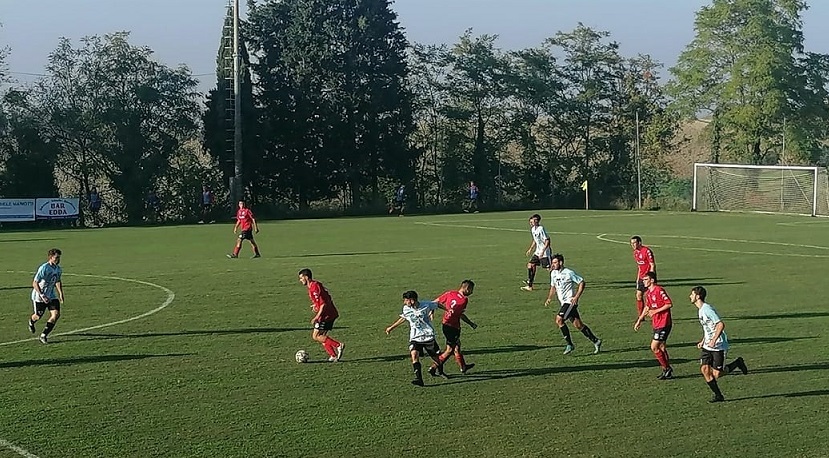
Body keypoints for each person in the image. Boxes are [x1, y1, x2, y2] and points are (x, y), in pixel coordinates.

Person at [690, 286, 748, 403]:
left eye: (692, 294)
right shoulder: (700, 310)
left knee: (717, 374)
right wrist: (703, 340)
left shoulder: (707, 309)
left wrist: (713, 340)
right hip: (707, 346)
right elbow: (708, 328)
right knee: (705, 370)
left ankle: (737, 363)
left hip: (718, 346)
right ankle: (718, 396)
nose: (690, 296)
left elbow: (720, 324)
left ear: (698, 296)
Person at [385, 290, 447, 386]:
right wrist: (391, 327)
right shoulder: (406, 308)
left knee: (436, 358)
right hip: (415, 337)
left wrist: (448, 310)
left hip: (428, 336)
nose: (404, 302)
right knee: (414, 355)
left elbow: (437, 304)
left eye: (406, 300)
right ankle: (419, 379)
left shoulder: (426, 304)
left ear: (412, 300)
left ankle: (440, 371)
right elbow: (404, 318)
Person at [544, 254, 602, 355]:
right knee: (578, 325)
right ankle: (596, 341)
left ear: (561, 263)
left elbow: (582, 282)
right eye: (552, 263)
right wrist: (549, 298)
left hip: (570, 302)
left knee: (559, 320)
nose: (553, 265)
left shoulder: (569, 273)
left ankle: (569, 344)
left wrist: (576, 297)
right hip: (563, 303)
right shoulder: (553, 273)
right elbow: (553, 286)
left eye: (555, 262)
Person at [429, 280, 478, 376]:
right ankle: (434, 367)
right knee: (450, 350)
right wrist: (471, 323)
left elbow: (434, 302)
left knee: (457, 346)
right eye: (471, 290)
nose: (472, 292)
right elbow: (461, 315)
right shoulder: (464, 300)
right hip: (453, 327)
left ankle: (463, 367)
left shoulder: (450, 293)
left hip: (445, 324)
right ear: (467, 288)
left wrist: (432, 311)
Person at [634, 271, 674, 380]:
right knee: (661, 347)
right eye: (643, 280)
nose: (643, 282)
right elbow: (647, 307)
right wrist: (639, 320)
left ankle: (667, 368)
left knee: (654, 347)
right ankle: (667, 371)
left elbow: (669, 304)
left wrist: (655, 311)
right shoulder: (648, 293)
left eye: (645, 279)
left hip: (664, 323)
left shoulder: (659, 290)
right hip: (657, 323)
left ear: (652, 280)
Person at [298, 268, 344, 362]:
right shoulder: (314, 285)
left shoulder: (314, 287)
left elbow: (323, 304)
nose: (300, 280)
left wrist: (316, 317)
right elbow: (323, 299)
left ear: (306, 277)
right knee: (322, 336)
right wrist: (315, 305)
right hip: (329, 313)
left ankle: (338, 345)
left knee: (316, 336)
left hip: (326, 315)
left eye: (301, 278)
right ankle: (333, 355)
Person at [28, 248, 64, 344]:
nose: (58, 260)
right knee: (38, 316)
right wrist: (42, 295)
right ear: (51, 257)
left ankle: (43, 335)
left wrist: (60, 293)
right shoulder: (44, 268)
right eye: (56, 258)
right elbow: (35, 283)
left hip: (51, 295)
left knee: (56, 314)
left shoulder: (58, 269)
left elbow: (57, 281)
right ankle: (31, 321)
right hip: (39, 296)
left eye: (59, 258)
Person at [521, 213, 552, 291]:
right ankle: (530, 285)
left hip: (545, 252)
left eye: (534, 220)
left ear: (538, 221)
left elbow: (547, 240)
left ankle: (562, 278)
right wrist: (530, 249)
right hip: (537, 251)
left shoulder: (541, 229)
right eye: (532, 221)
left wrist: (543, 251)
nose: (532, 222)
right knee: (530, 265)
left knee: (549, 269)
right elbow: (535, 240)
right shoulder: (533, 229)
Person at [630, 236, 656, 318]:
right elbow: (639, 267)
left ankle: (655, 313)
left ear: (639, 243)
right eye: (631, 243)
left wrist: (651, 277)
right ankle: (641, 315)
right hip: (641, 277)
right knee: (638, 295)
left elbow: (652, 264)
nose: (633, 245)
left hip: (648, 278)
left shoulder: (647, 251)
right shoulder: (635, 253)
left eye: (634, 243)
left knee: (651, 297)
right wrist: (638, 278)